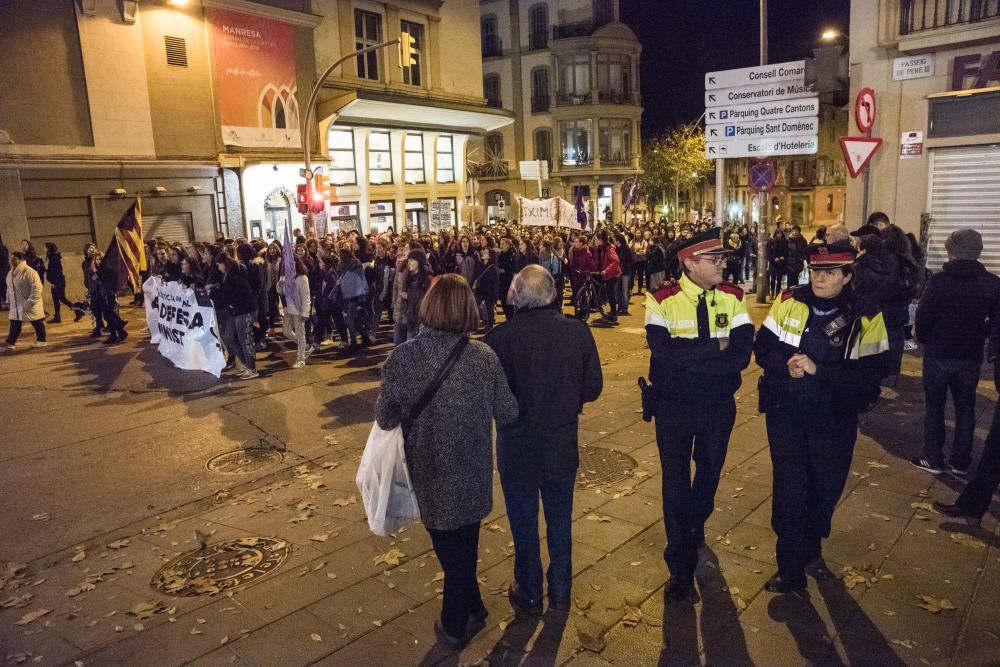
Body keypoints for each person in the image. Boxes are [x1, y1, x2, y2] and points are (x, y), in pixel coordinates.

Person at [374, 274, 518, 649]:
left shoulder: (404, 357)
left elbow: (386, 418)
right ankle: (474, 607)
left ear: (429, 306)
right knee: (464, 545)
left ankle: (455, 624)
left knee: (451, 550)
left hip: (428, 471)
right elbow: (508, 411)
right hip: (472, 472)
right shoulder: (484, 357)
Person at [755, 242, 889, 592]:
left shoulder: (867, 315)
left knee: (824, 488)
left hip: (833, 417)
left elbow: (871, 377)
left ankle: (812, 546)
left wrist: (819, 370)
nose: (820, 278)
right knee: (789, 488)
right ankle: (790, 567)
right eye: (816, 271)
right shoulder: (788, 301)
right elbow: (763, 348)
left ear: (847, 275)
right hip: (787, 411)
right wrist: (783, 366)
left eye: (830, 272)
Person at [644, 230, 754, 599]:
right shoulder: (661, 300)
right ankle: (680, 566)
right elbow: (665, 354)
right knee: (675, 483)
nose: (723, 264)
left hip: (717, 406)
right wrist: (715, 349)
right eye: (714, 259)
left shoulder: (734, 297)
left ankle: (693, 526)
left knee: (708, 475)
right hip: (673, 407)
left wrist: (697, 355)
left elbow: (740, 354)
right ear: (689, 263)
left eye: (723, 259)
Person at [486, 266, 603, 613]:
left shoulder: (499, 338)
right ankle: (562, 588)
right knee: (560, 519)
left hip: (517, 446)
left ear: (517, 296)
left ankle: (529, 586)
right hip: (560, 443)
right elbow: (593, 387)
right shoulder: (577, 332)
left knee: (523, 522)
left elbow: (490, 395)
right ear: (552, 294)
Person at [911, 229, 1000, 476]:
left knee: (935, 406)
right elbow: (996, 321)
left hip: (938, 351)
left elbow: (924, 315)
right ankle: (961, 460)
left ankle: (933, 457)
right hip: (969, 354)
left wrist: (924, 338)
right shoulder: (992, 283)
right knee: (965, 407)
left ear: (952, 251)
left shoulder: (940, 280)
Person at [211, 253, 259, 380]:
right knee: (229, 338)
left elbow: (229, 295)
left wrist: (214, 294)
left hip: (244, 310)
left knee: (245, 340)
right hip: (235, 311)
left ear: (224, 264)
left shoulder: (234, 275)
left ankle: (252, 368)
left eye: (219, 265)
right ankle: (246, 364)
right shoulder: (229, 275)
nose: (218, 268)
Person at [2, 251, 46, 351]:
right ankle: (10, 342)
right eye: (10, 259)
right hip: (16, 303)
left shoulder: (30, 272)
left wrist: (30, 302)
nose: (11, 261)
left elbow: (37, 288)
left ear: (21, 259)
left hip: (28, 302)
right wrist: (8, 299)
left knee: (36, 321)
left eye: (14, 259)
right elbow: (9, 288)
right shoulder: (11, 272)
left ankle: (42, 340)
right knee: (15, 322)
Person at [280, 257, 312, 368]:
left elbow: (306, 295)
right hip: (288, 309)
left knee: (300, 333)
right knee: (286, 332)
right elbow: (281, 291)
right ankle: (304, 346)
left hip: (298, 310)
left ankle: (301, 358)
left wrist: (305, 312)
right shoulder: (286, 277)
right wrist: (280, 286)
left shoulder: (302, 278)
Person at [44, 242, 83, 323]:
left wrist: (55, 283)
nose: (43, 249)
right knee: (55, 300)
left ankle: (78, 311)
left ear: (49, 248)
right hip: (55, 281)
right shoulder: (51, 257)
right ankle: (57, 317)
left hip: (58, 282)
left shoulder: (54, 257)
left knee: (62, 298)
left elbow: (58, 271)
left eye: (45, 247)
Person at [593, 230, 622, 325]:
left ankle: (613, 315)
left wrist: (606, 270)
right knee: (607, 294)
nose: (595, 241)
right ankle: (610, 314)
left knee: (611, 295)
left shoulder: (609, 249)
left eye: (596, 239)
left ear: (601, 240)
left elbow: (615, 261)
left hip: (612, 275)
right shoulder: (602, 248)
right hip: (607, 274)